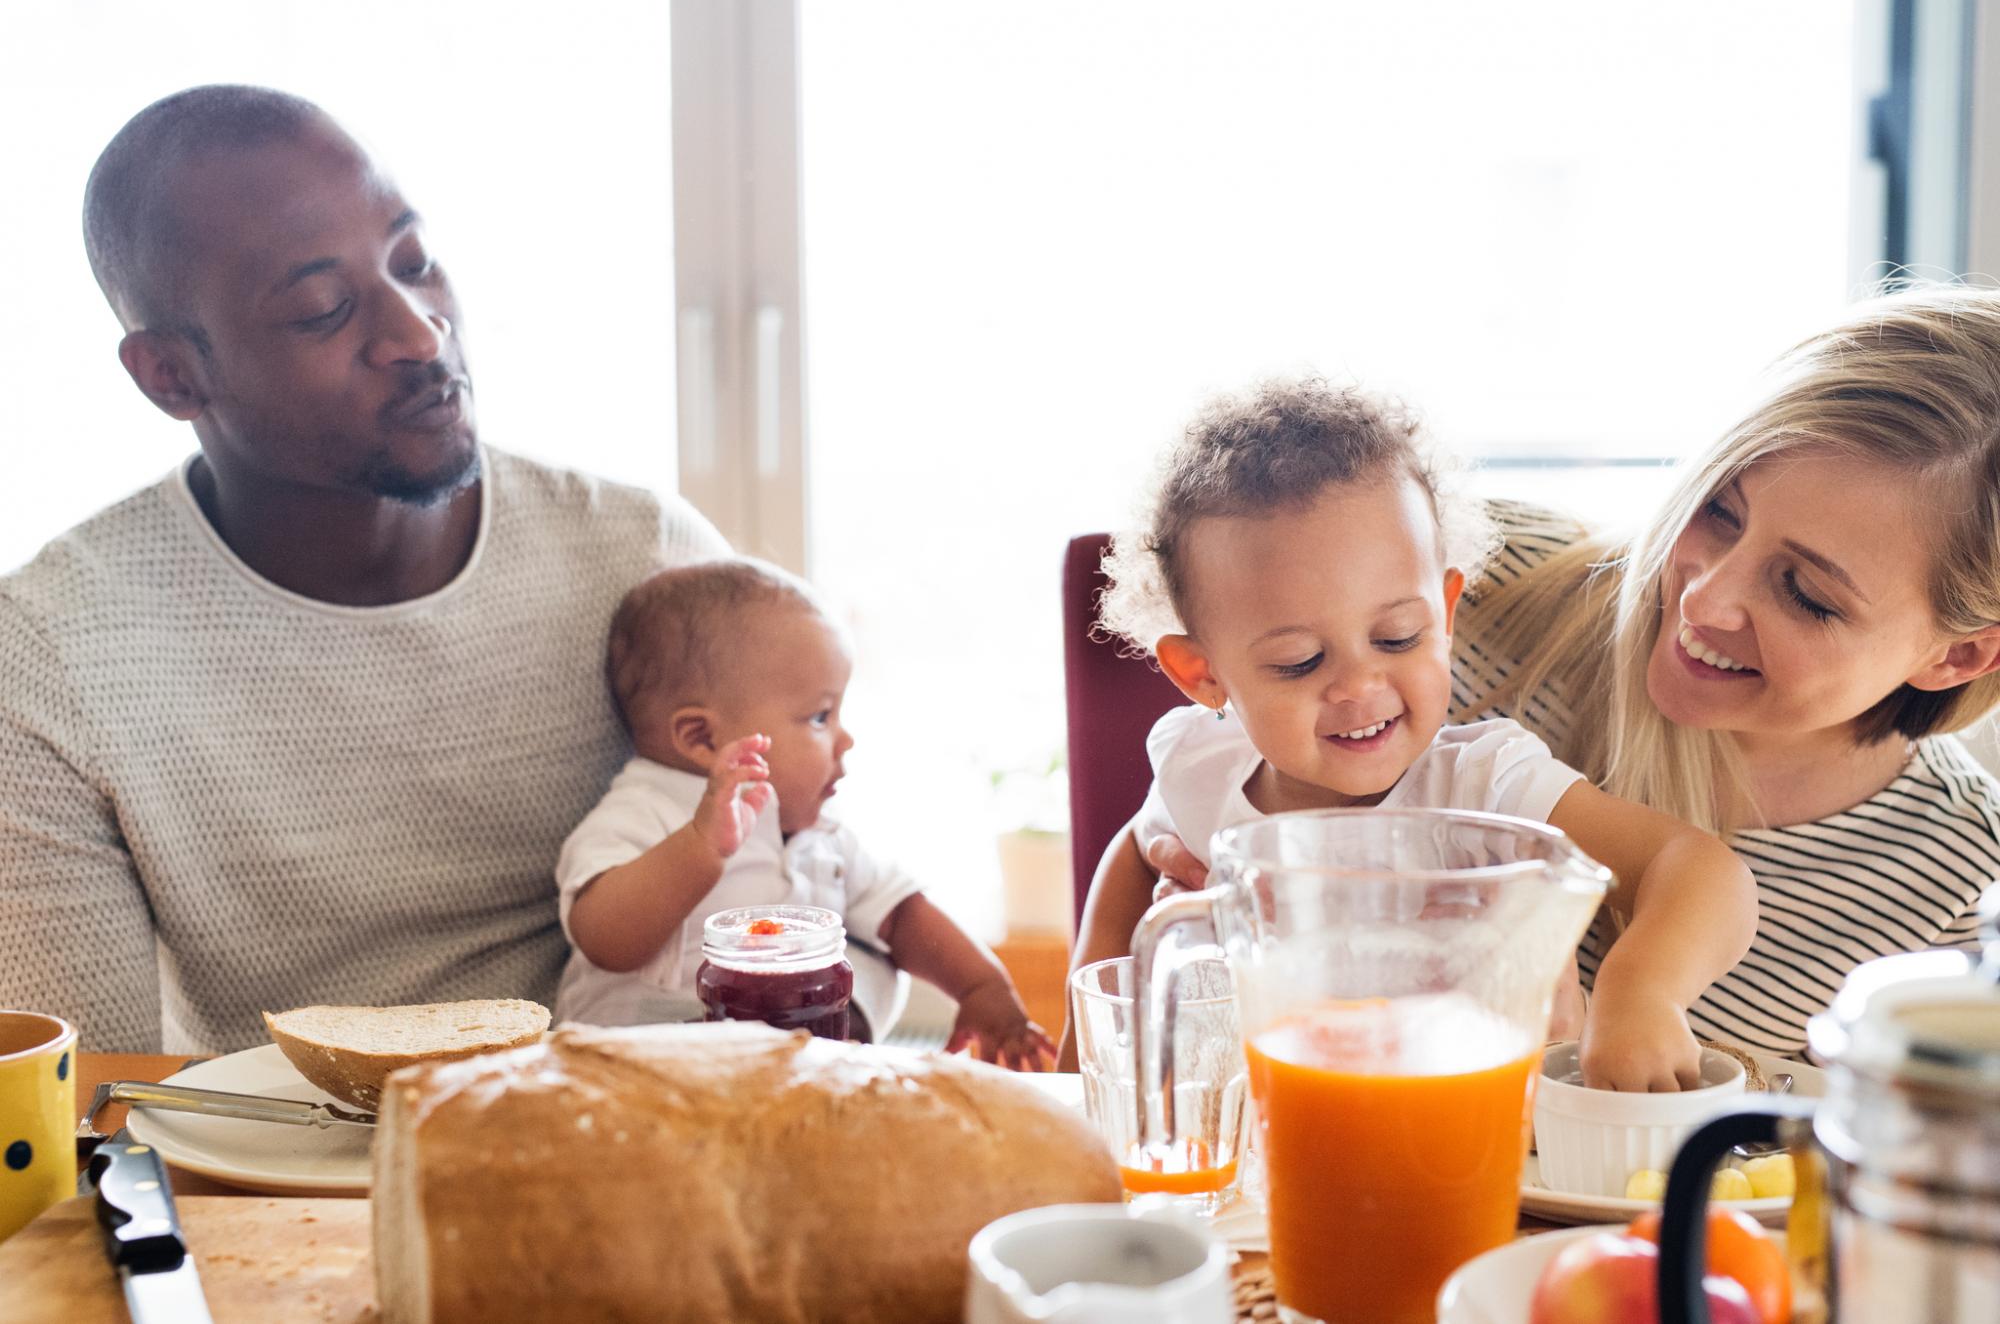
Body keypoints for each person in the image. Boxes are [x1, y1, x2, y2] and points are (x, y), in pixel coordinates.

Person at [0, 84, 726, 1053]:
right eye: (322, 309)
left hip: (640, 1140)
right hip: (272, 1180)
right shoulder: (52, 657)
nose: (421, 335)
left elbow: (803, 910)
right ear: (172, 376)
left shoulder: (646, 563)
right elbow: (82, 1100)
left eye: (415, 263)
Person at [1148, 288, 2000, 1059]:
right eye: (1719, 510)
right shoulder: (1458, 597)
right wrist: (1169, 850)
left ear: (1957, 655)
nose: (1704, 600)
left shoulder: (1966, 883)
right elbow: (1232, 658)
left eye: (1806, 594)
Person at [1067, 378, 1757, 1091]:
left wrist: (1641, 992)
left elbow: (1703, 871)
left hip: (1462, 1147)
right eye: (1299, 661)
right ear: (1202, 674)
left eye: (1398, 638)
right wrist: (1082, 1044)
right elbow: (1136, 852)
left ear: (1447, 612)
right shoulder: (1200, 765)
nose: (1360, 688)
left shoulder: (1488, 786)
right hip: (1260, 1156)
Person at [554, 558, 1054, 1068]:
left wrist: (981, 986)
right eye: (819, 716)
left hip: (785, 1070)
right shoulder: (641, 812)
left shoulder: (824, 836)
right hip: (642, 1071)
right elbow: (605, 940)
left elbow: (903, 917)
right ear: (702, 738)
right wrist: (701, 845)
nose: (846, 737)